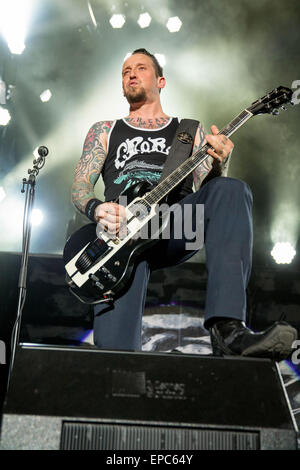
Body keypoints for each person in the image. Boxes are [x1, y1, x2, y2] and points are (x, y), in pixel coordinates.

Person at [71, 48, 297, 360]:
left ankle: (227, 330)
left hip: (176, 222)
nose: (131, 74)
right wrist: (96, 208)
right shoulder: (105, 130)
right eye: (125, 71)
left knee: (230, 190)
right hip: (120, 234)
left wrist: (221, 162)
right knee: (114, 359)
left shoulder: (189, 131)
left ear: (161, 80)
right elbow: (81, 183)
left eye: (141, 68)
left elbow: (210, 188)